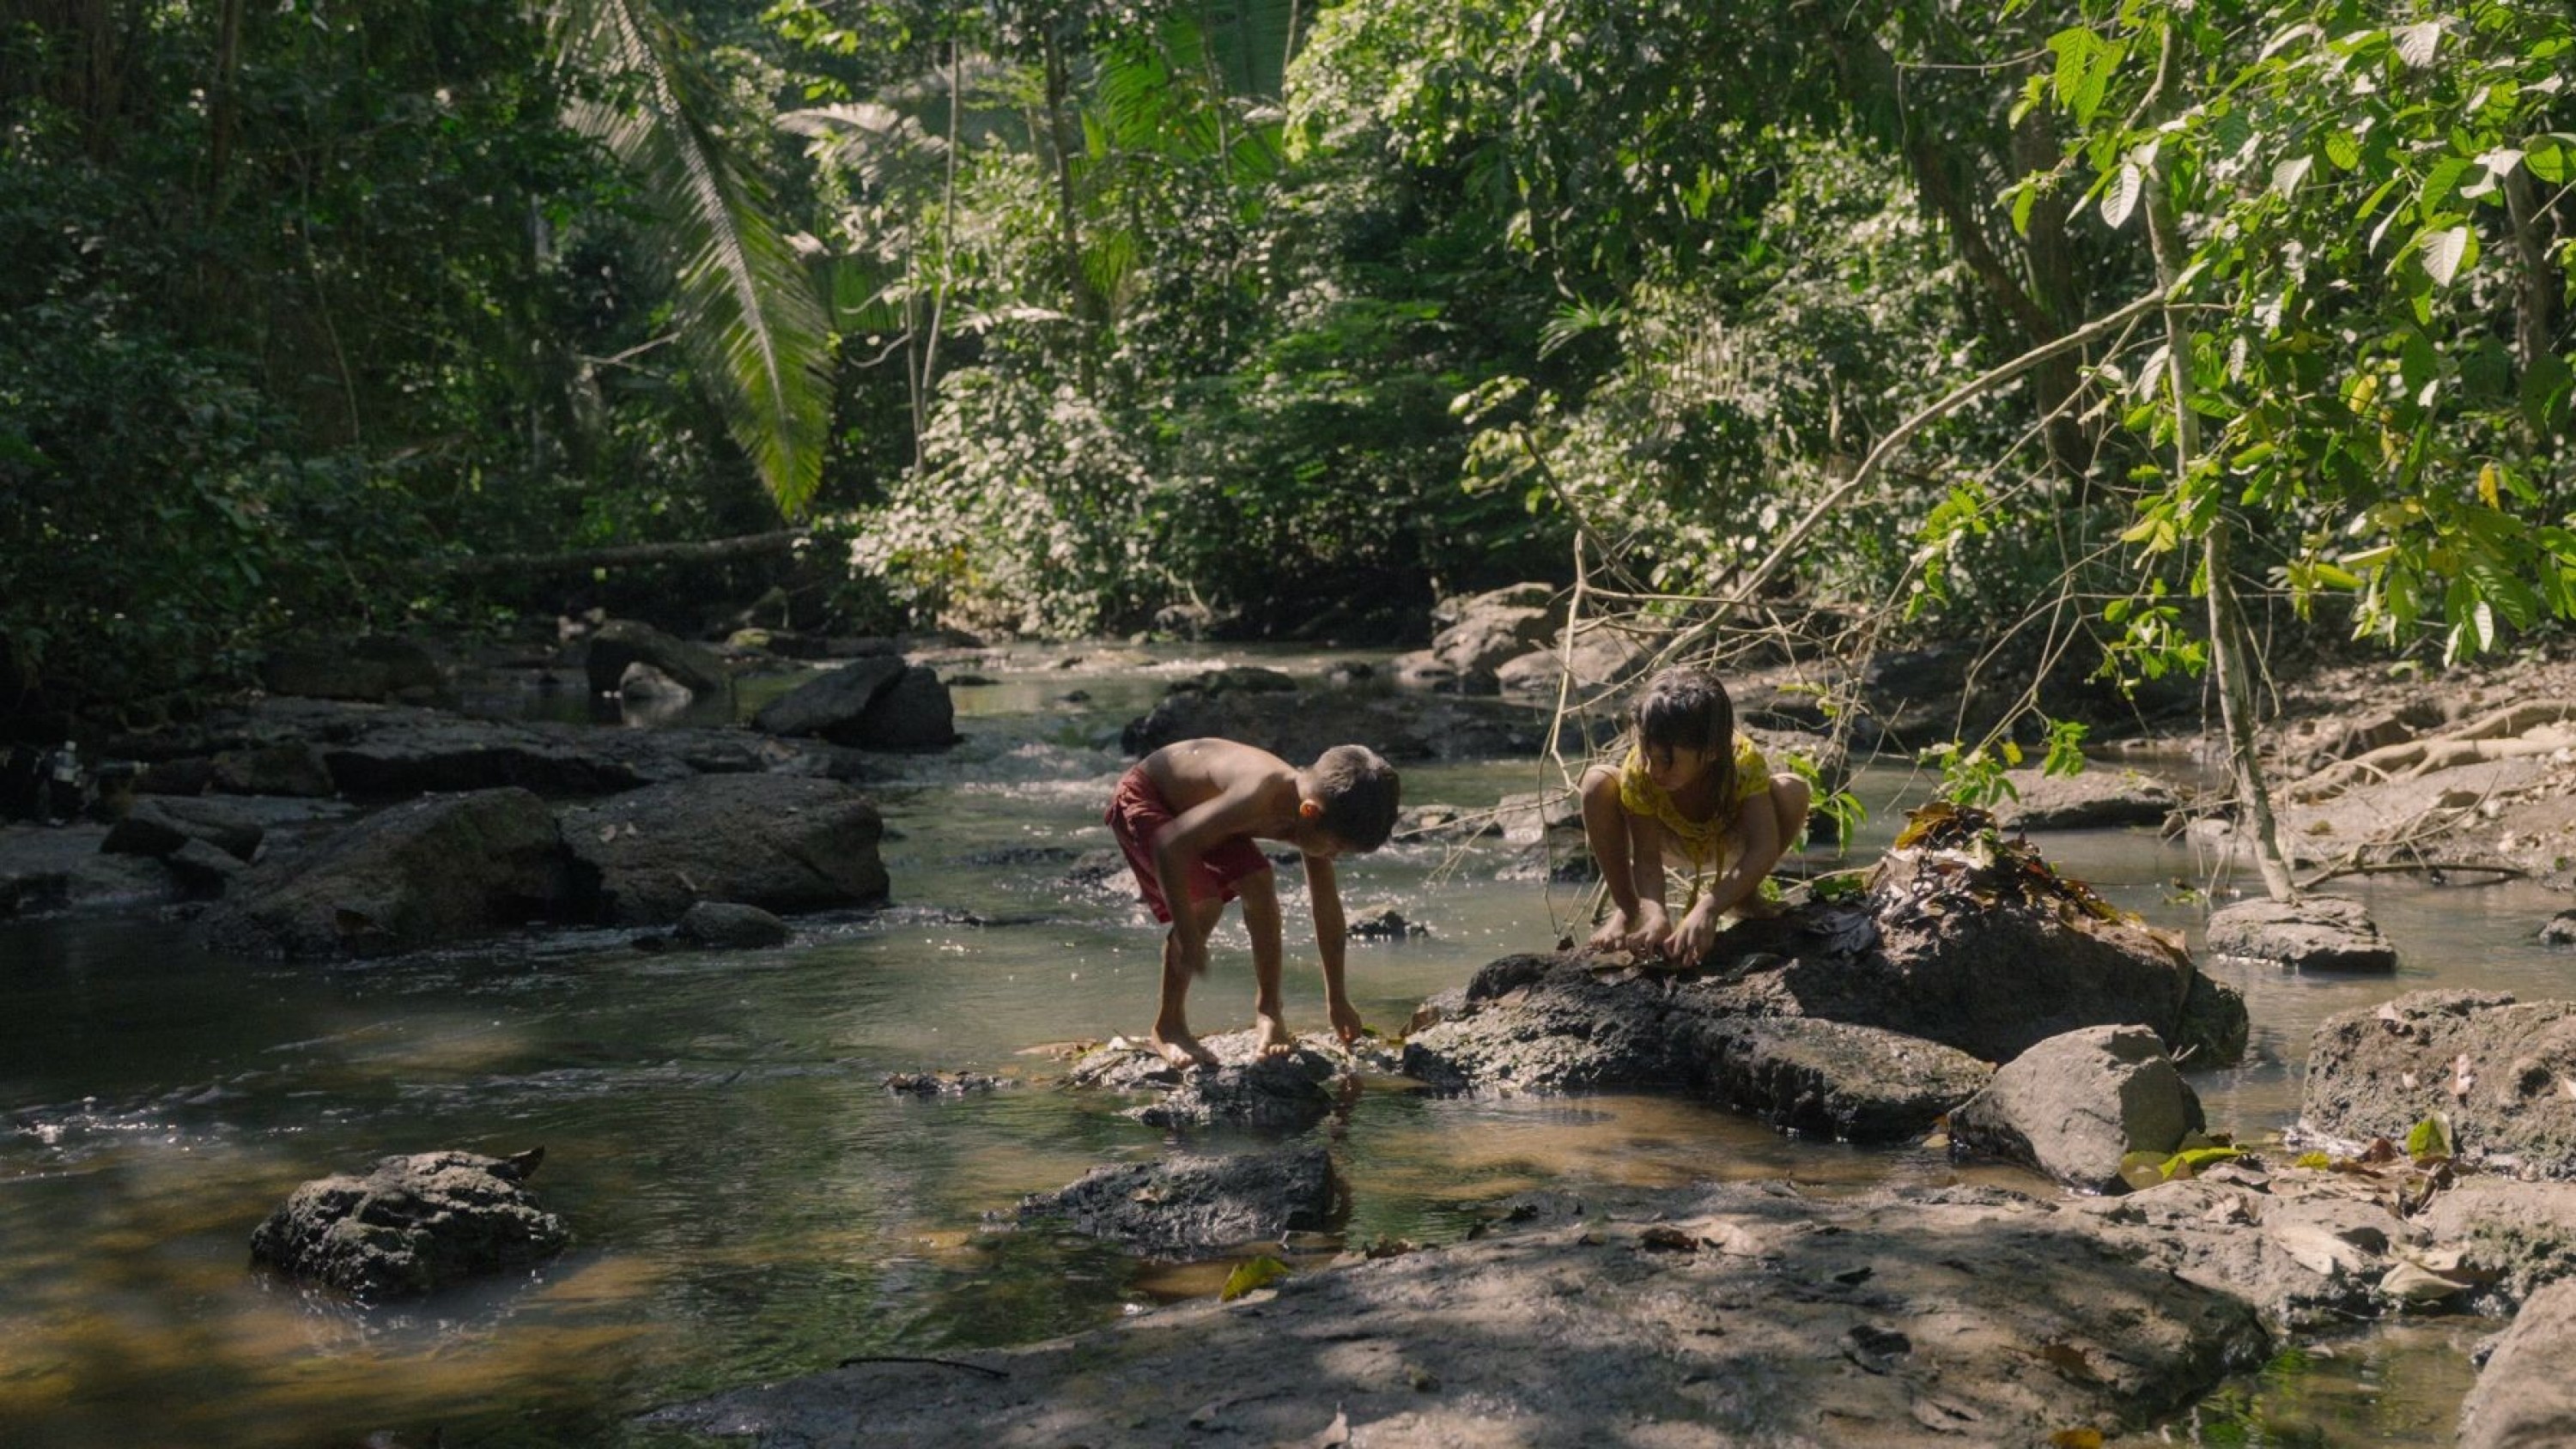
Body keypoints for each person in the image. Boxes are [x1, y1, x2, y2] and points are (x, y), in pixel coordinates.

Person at [1104, 738, 1401, 1070]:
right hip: (1150, 797)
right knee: (1205, 904)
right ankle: (1168, 1025)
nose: (1332, 857)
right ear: (1309, 812)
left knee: (1259, 885)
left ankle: (1269, 1013)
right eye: (1335, 849)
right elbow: (1170, 846)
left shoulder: (1311, 814)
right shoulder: (1260, 795)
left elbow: (1326, 908)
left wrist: (1337, 1000)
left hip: (1201, 811)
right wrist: (1188, 934)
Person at [1577, 667, 1810, 967]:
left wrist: (1709, 908)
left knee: (1792, 789)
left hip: (1727, 839)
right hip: (1667, 839)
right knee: (1597, 782)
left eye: (1666, 762)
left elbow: (1763, 847)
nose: (1653, 770)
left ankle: (1744, 897)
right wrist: (1656, 913)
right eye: (1648, 755)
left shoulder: (1743, 761)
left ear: (1711, 752)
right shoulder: (1641, 771)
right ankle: (1629, 910)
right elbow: (1646, 858)